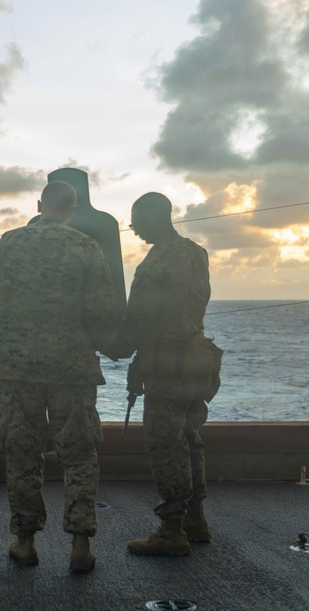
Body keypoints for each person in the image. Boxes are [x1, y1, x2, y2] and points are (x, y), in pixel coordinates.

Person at [0, 180, 121, 572]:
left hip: (17, 368)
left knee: (22, 454)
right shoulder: (85, 246)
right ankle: (80, 545)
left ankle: (25, 542)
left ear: (39, 204)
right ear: (72, 210)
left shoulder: (9, 243)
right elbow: (102, 311)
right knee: (79, 455)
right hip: (71, 368)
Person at [107, 192, 220, 557]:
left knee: (165, 443)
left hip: (167, 365)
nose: (134, 229)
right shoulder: (196, 253)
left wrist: (115, 347)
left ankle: (172, 530)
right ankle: (195, 518)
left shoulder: (157, 261)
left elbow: (141, 317)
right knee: (189, 438)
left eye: (137, 221)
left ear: (156, 217)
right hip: (196, 362)